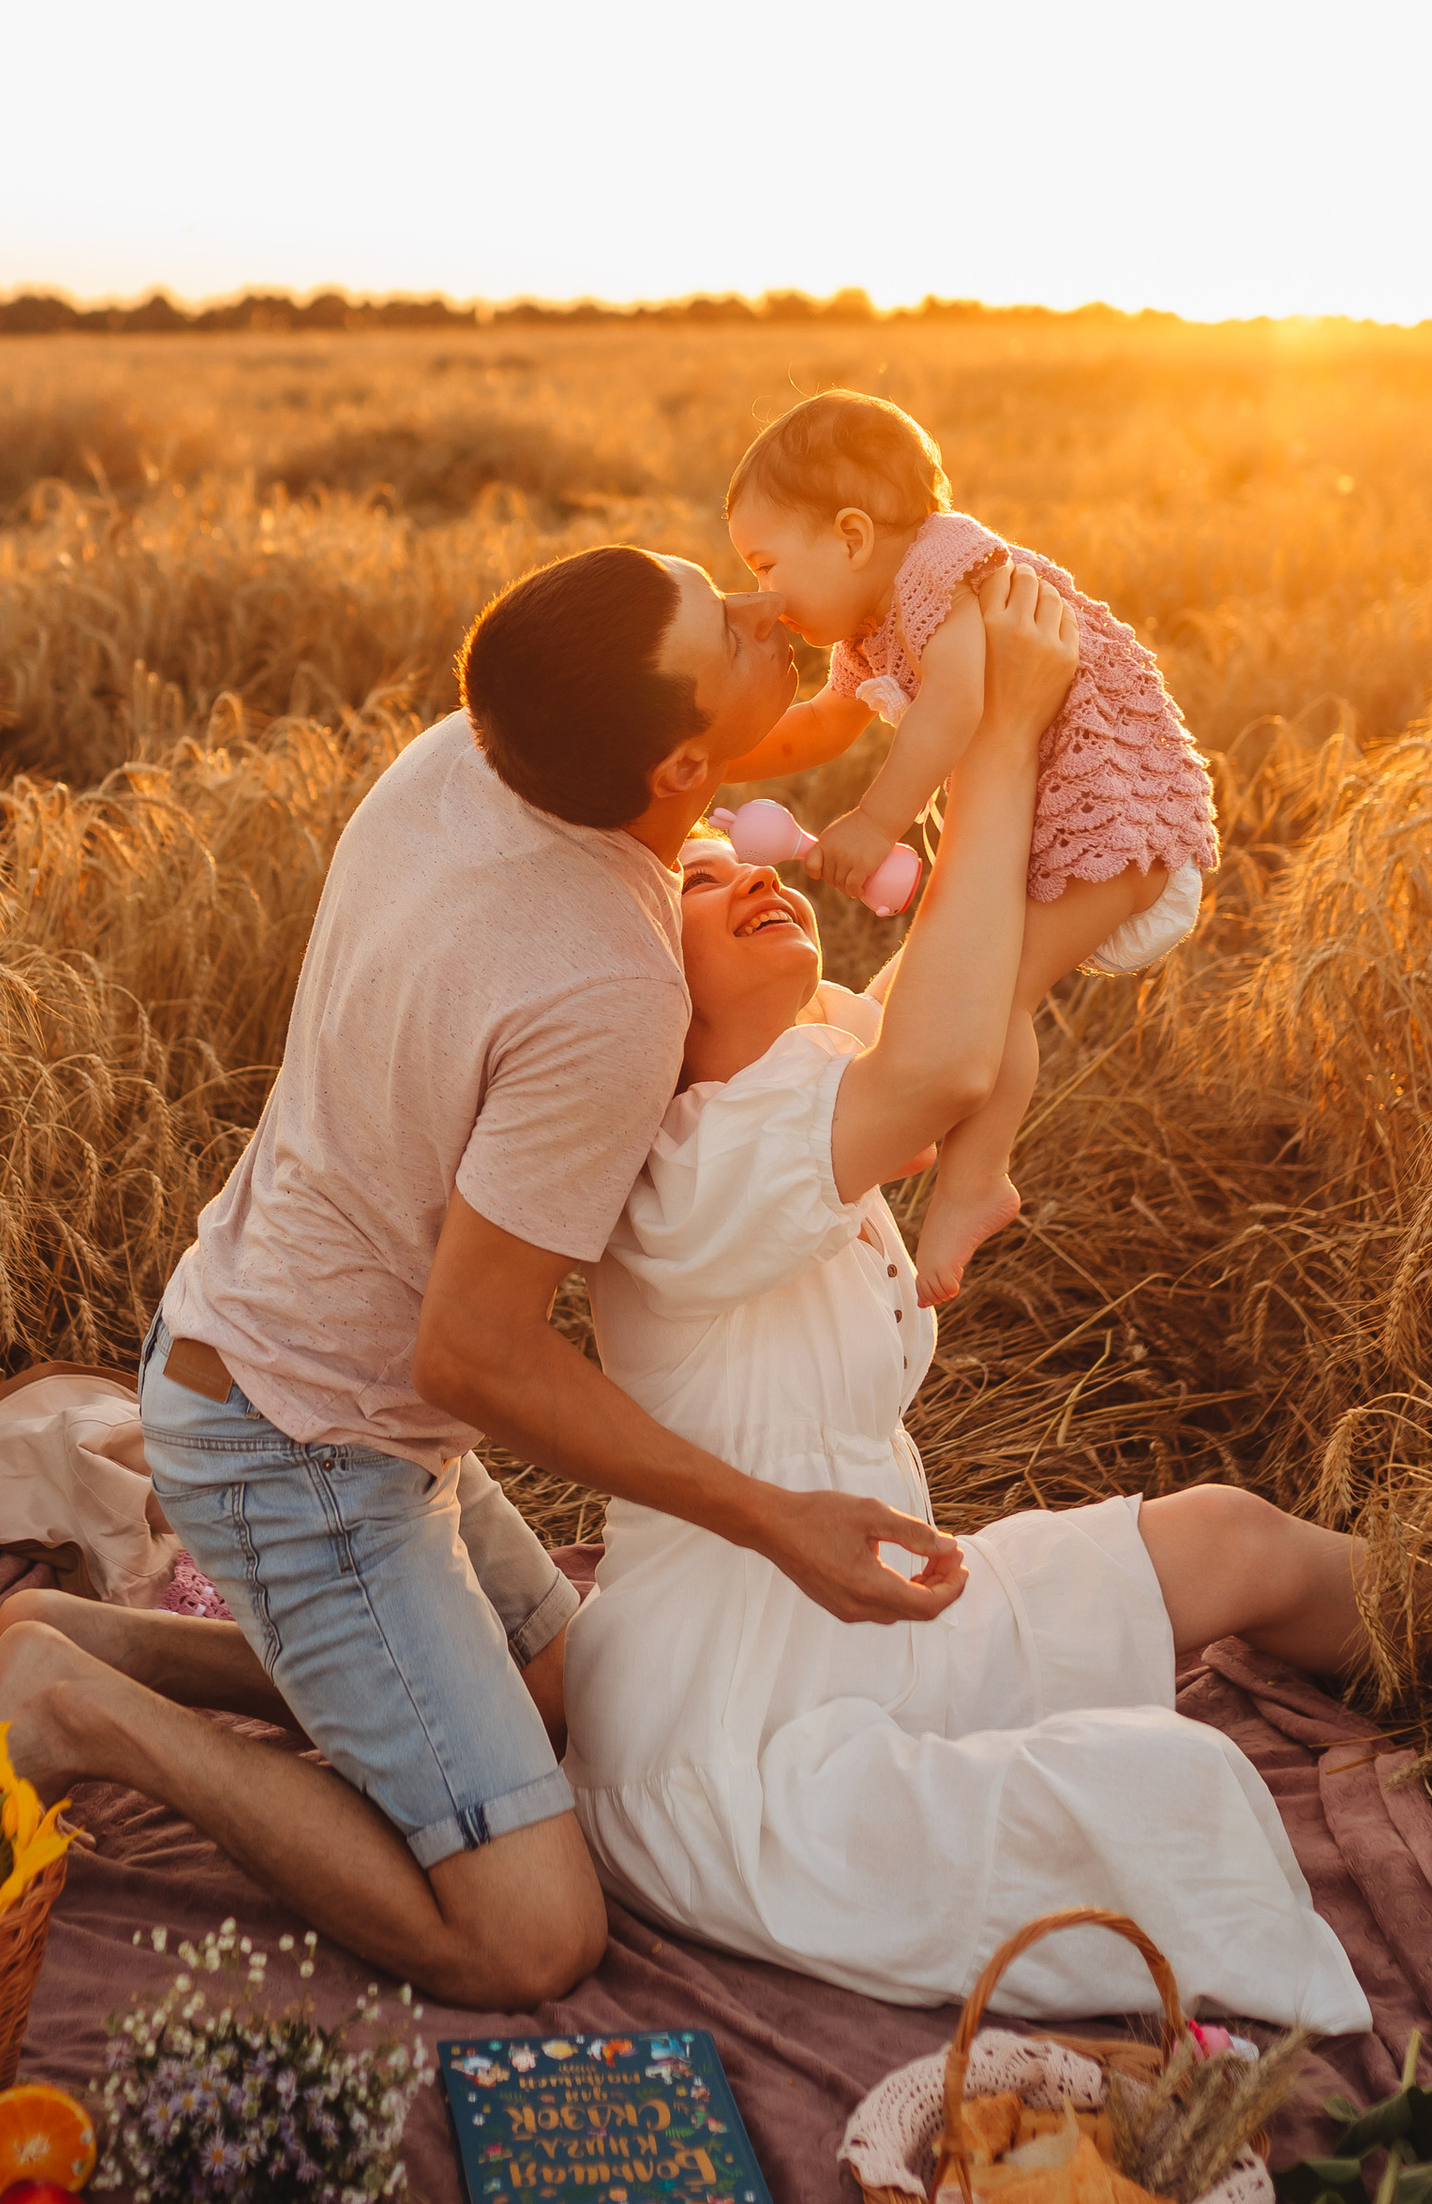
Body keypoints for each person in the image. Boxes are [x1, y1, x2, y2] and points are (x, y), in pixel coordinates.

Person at [0, 539, 1085, 2006]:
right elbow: (471, 1358)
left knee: (582, 1702)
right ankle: (79, 1712)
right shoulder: (609, 991)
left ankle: (87, 1640)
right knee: (531, 1931)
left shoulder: (481, 750)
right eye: (742, 633)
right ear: (681, 768)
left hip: (264, 1341)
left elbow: (746, 735)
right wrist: (772, 1521)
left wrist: (897, 673)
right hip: (299, 1443)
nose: (770, 624)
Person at [559, 814, 1372, 2028]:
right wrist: (1001, 756)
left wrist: (1094, 814)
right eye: (701, 883)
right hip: (740, 1743)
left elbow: (959, 987)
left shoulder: (797, 1080)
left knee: (1228, 1537)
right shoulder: (689, 1167)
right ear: (641, 979)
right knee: (1176, 1789)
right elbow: (940, 1062)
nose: (755, 877)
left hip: (878, 1624)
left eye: (750, 860)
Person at [719, 390, 1220, 1304]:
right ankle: (923, 1133)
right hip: (1067, 819)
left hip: (1117, 817)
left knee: (998, 994)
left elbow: (955, 700)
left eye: (766, 562)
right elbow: (820, 728)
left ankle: (975, 1183)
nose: (763, 593)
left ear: (852, 534)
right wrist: (712, 748)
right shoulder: (872, 624)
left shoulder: (944, 566)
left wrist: (876, 823)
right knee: (962, 984)